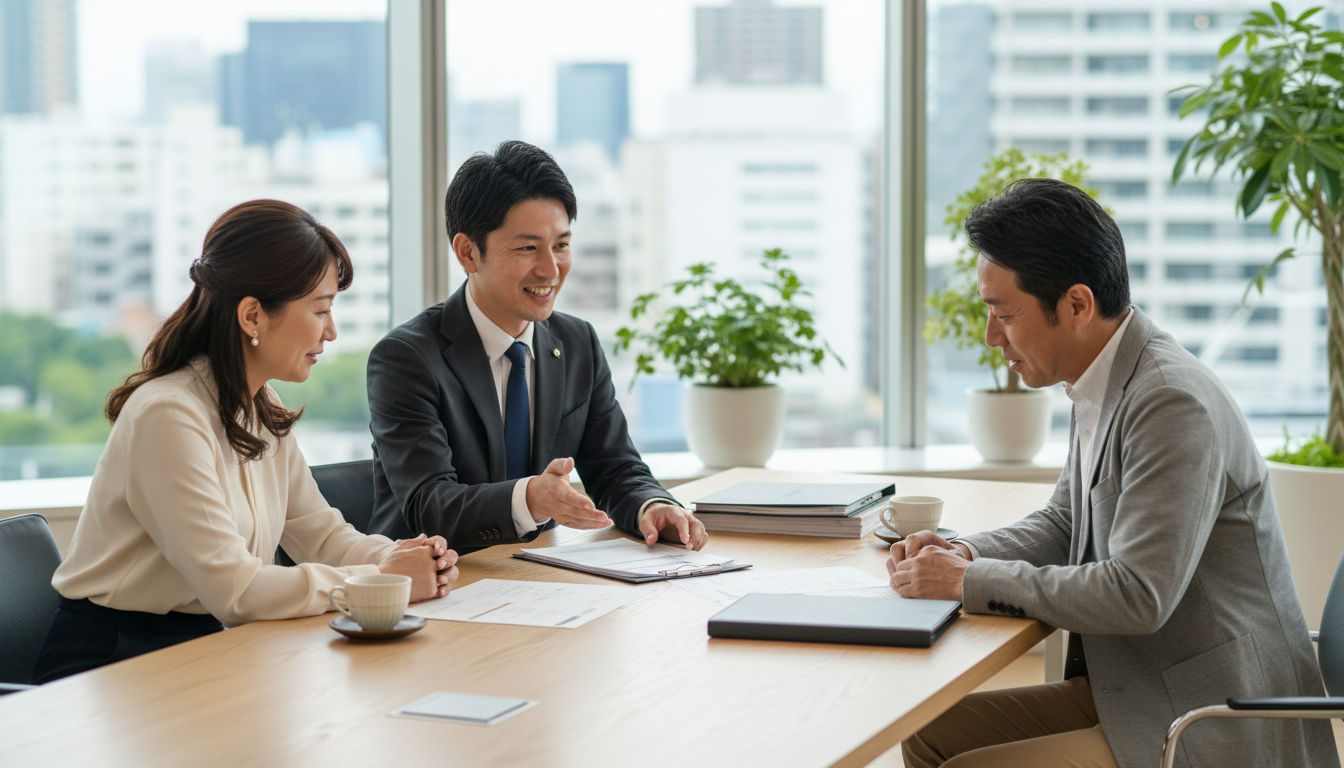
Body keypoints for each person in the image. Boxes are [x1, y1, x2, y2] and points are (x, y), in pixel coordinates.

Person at [888, 178, 1338, 768]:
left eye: (1004, 314)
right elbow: (1066, 519)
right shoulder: (1100, 380)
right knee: (930, 732)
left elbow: (1138, 594)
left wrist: (968, 582)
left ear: (1077, 305)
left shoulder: (1171, 402)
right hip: (1145, 686)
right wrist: (963, 554)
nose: (992, 337)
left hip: (1209, 714)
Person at [32, 200, 458, 684]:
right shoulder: (167, 415)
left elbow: (318, 533)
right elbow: (233, 590)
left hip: (207, 648)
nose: (331, 332)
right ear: (252, 315)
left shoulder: (261, 404)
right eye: (320, 309)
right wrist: (376, 582)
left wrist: (395, 559)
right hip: (110, 665)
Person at [366, 140, 704, 554]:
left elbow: (614, 467)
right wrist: (530, 498)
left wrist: (651, 506)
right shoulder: (406, 358)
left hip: (536, 578)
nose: (551, 268)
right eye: (528, 247)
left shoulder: (577, 342)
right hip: (434, 584)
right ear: (468, 252)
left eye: (561, 245)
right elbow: (429, 505)